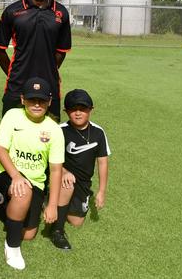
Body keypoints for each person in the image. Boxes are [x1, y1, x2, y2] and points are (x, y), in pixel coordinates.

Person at [0, 77, 64, 270]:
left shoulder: (54, 130)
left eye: (42, 100)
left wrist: (52, 205)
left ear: (49, 102)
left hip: (36, 182)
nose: (37, 104)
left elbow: (56, 170)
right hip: (7, 172)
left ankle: (1, 205)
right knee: (22, 192)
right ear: (23, 99)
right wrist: (16, 176)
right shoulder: (12, 115)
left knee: (29, 234)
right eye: (32, 99)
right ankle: (12, 246)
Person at [0, 0, 71, 122]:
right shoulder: (12, 11)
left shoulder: (61, 12)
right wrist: (13, 72)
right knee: (11, 135)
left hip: (49, 84)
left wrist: (48, 68)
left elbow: (61, 51)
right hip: (17, 85)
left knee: (49, 135)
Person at [51, 89, 110, 250]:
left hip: (83, 183)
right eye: (72, 109)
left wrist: (101, 191)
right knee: (68, 183)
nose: (78, 113)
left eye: (83, 108)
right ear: (66, 111)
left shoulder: (98, 132)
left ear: (91, 109)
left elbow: (103, 162)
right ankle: (57, 230)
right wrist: (64, 172)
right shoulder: (60, 130)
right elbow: (49, 159)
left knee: (77, 222)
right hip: (62, 177)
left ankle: (54, 202)